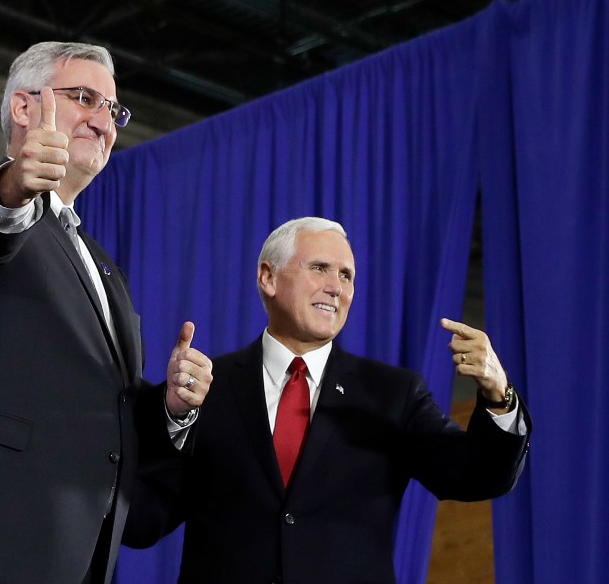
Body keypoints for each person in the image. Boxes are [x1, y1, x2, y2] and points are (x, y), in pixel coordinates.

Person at [0, 41, 212, 584]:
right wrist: (16, 185)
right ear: (24, 109)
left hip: (77, 559)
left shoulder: (104, 267)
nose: (104, 121)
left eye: (113, 110)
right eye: (85, 97)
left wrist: (170, 406)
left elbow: (111, 413)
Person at [125, 217, 532, 584]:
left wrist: (499, 395)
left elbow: (476, 475)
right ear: (268, 277)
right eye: (319, 268)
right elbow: (145, 520)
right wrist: (172, 416)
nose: (336, 287)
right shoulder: (206, 389)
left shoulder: (391, 394)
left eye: (347, 275)